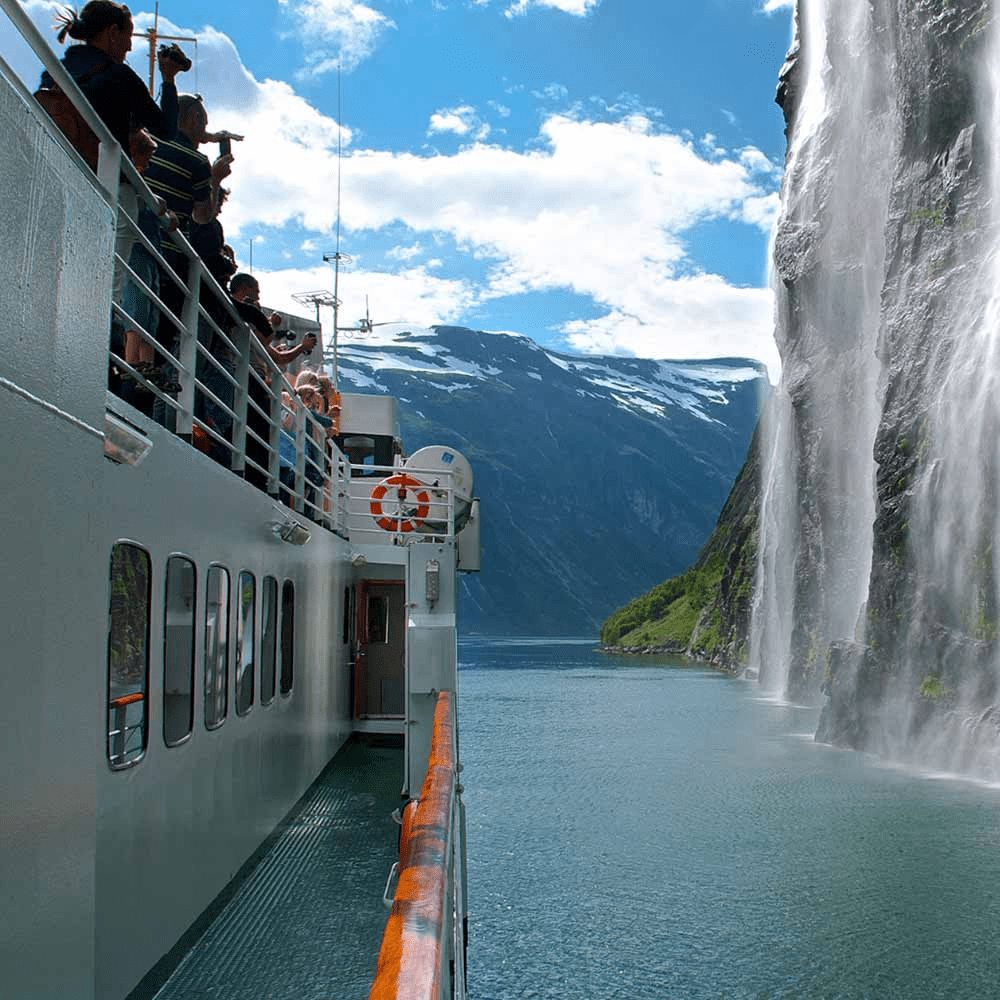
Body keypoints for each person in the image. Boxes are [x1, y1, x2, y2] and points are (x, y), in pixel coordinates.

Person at [46, 1, 183, 153]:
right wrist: (168, 78)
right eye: (129, 36)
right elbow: (166, 129)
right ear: (113, 32)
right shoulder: (120, 76)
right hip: (103, 171)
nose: (130, 46)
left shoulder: (53, 73)